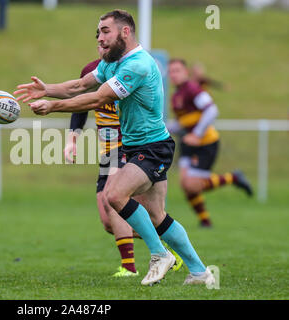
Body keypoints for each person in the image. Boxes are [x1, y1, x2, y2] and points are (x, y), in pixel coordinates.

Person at [14, 9, 214, 286]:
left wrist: (52, 107)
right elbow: (80, 86)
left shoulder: (138, 65)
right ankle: (200, 271)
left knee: (114, 194)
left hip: (153, 147)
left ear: (125, 32)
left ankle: (159, 255)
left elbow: (97, 99)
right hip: (138, 146)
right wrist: (47, 89)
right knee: (157, 215)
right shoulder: (112, 63)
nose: (99, 38)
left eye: (105, 31)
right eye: (97, 33)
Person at [65, 44, 183, 278]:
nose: (102, 44)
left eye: (106, 38)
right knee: (109, 222)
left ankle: (129, 267)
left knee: (114, 203)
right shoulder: (91, 72)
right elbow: (81, 106)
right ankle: (170, 248)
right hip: (107, 151)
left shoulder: (128, 71)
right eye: (99, 40)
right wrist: (72, 140)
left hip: (127, 146)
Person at [167, 58, 253, 227]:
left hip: (205, 143)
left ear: (186, 72)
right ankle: (205, 221)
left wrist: (197, 134)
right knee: (185, 184)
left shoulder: (192, 89)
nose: (173, 74)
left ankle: (233, 177)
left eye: (177, 70)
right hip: (188, 144)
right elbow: (184, 122)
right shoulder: (176, 95)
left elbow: (212, 110)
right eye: (170, 71)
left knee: (192, 185)